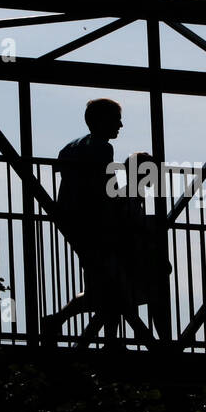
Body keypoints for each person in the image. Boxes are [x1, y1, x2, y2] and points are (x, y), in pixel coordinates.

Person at [41, 98, 137, 345]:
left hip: (75, 223)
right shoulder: (102, 148)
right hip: (96, 226)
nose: (121, 125)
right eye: (116, 119)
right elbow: (105, 190)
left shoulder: (71, 146)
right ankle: (107, 341)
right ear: (101, 121)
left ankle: (59, 322)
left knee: (99, 290)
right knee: (114, 288)